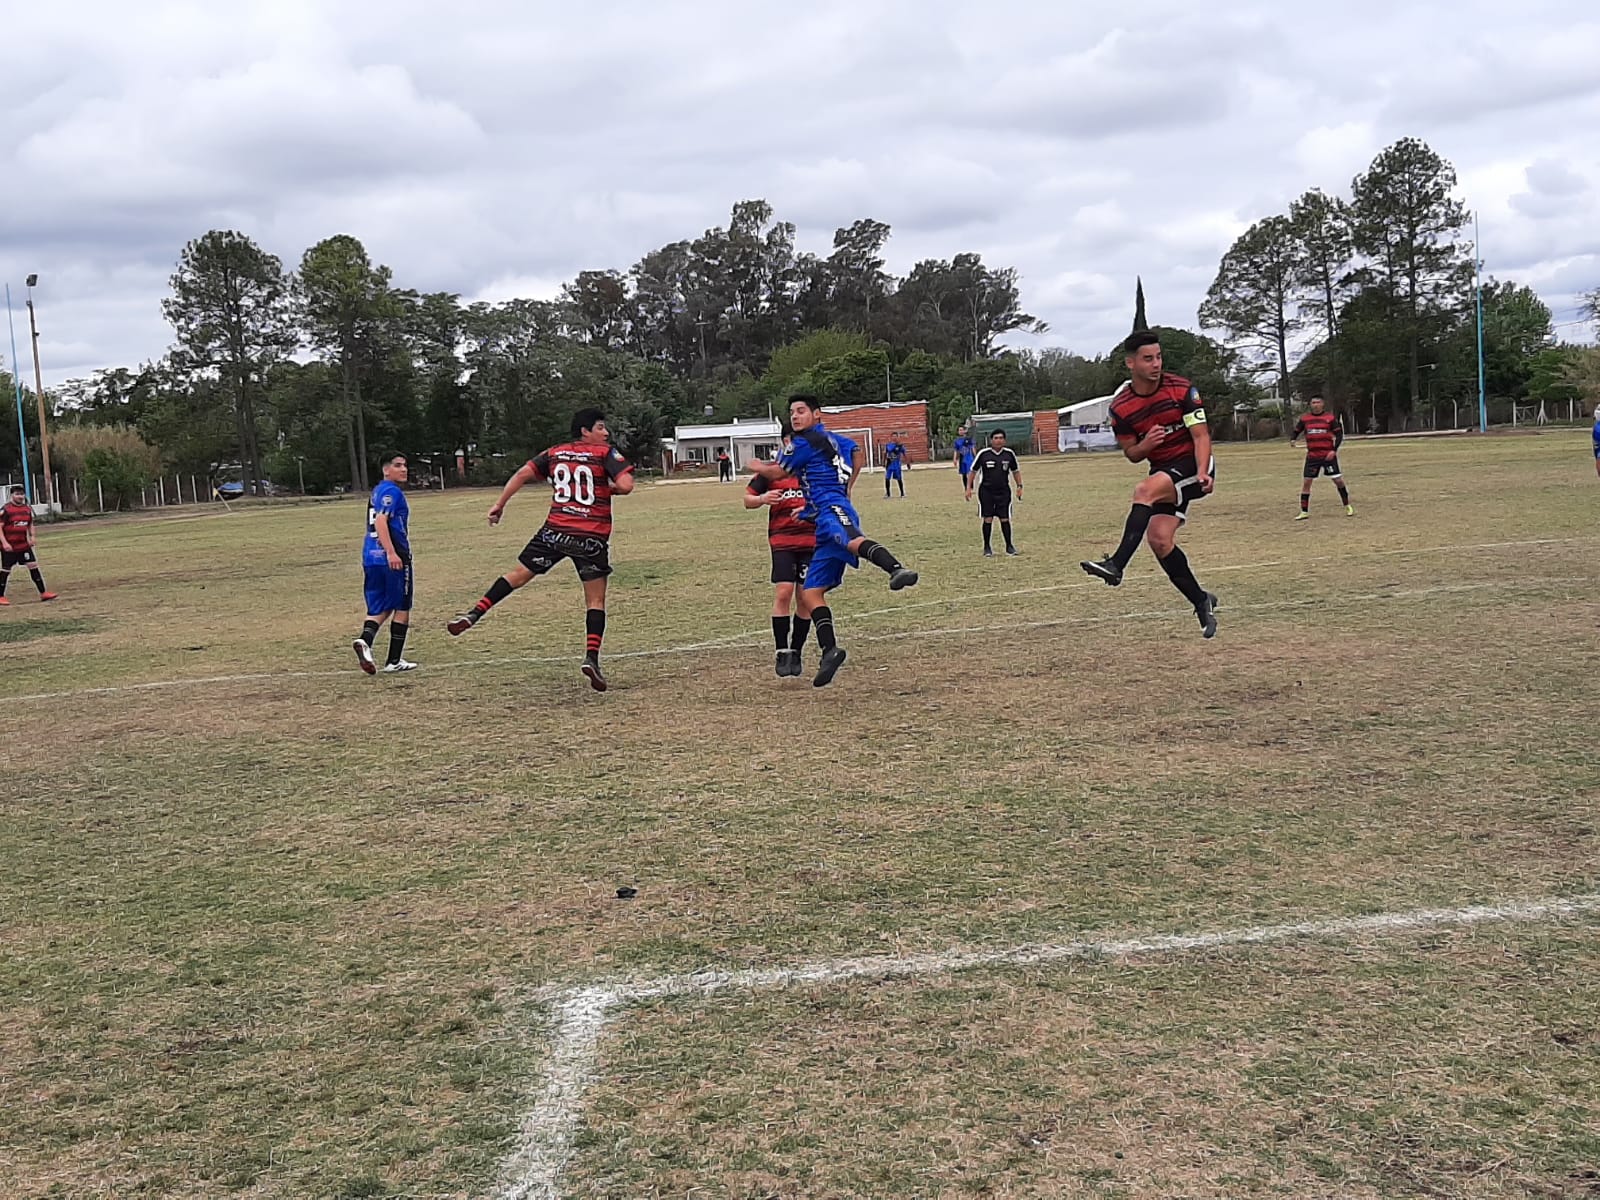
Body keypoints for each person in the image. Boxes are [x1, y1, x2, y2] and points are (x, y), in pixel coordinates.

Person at [447, 408, 635, 691]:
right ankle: (591, 658)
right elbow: (626, 485)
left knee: (518, 575)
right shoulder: (604, 453)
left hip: (555, 530)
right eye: (600, 427)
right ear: (585, 431)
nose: (605, 433)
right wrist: (609, 489)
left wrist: (499, 504)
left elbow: (522, 474)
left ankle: (474, 613)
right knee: (595, 600)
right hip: (590, 535)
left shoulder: (554, 452)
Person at [747, 394, 919, 687]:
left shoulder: (804, 441)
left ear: (817, 414)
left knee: (852, 540)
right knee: (811, 593)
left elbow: (778, 471)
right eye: (792, 412)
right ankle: (830, 650)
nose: (795, 416)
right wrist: (840, 490)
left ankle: (896, 569)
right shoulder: (834, 440)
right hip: (821, 515)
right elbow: (856, 451)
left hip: (832, 508)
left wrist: (757, 465)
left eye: (801, 411)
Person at [1080, 330, 1219, 638]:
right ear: (1131, 363)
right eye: (1148, 359)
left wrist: (1203, 471)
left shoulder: (1182, 389)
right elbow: (1132, 453)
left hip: (1194, 466)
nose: (1156, 364)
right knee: (1159, 540)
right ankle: (1201, 600)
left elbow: (1201, 436)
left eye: (1158, 357)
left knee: (1144, 490)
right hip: (1163, 472)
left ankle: (1117, 565)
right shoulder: (1121, 408)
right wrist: (1146, 444)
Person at [744, 437, 817, 677]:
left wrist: (811, 512)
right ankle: (782, 650)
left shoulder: (814, 471)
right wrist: (762, 499)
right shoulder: (772, 472)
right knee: (784, 592)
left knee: (805, 597)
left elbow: (830, 501)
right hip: (782, 542)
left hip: (811, 542)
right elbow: (747, 499)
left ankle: (796, 651)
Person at [353, 453, 416, 673]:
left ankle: (365, 641)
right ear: (386, 470)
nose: (404, 469)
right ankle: (393, 661)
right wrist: (391, 552)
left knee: (381, 605)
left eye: (405, 465)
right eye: (398, 465)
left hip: (370, 556)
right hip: (391, 557)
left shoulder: (377, 491)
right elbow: (381, 521)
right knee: (402, 605)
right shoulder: (392, 491)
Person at [1289, 396, 1353, 518]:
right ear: (1310, 404)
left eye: (1318, 402)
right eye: (1313, 402)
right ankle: (1304, 512)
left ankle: (1347, 505)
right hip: (1312, 456)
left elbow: (1339, 435)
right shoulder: (1305, 419)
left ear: (1323, 404)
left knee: (1338, 481)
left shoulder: (1330, 418)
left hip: (1327, 456)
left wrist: (1333, 450)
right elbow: (1297, 430)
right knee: (1307, 482)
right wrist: (1293, 439)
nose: (1316, 405)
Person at [966, 429, 1023, 556]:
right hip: (986, 491)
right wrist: (968, 488)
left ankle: (1009, 546)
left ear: (1005, 440)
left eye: (1001, 438)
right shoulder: (983, 454)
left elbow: (1015, 471)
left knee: (1005, 518)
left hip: (1003, 491)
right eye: (996, 438)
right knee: (988, 518)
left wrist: (1019, 486)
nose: (998, 440)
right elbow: (973, 471)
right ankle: (987, 547)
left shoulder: (1009, 454)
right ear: (991, 440)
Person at [0, 485, 57, 605]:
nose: (20, 496)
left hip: (23, 545)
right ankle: (1, 596)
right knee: (6, 570)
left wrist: (32, 537)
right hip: (10, 546)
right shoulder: (6, 510)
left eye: (21, 494)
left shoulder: (27, 509)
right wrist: (4, 543)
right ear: (12, 495)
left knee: (33, 565)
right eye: (17, 494)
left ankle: (43, 593)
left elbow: (30, 524)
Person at [882, 433, 908, 498]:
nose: (894, 438)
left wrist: (908, 463)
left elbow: (905, 454)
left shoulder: (900, 446)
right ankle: (888, 494)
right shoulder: (888, 445)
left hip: (897, 465)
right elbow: (885, 453)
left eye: (896, 436)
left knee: (899, 479)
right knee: (887, 478)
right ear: (891, 437)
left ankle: (902, 493)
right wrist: (883, 462)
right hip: (889, 465)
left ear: (898, 437)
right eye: (893, 436)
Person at [952, 427, 976, 491]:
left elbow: (973, 448)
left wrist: (975, 456)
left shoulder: (969, 439)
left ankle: (971, 486)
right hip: (962, 459)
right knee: (964, 474)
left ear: (965, 431)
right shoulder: (957, 441)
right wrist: (954, 459)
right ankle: (966, 488)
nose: (961, 431)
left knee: (970, 472)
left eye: (962, 430)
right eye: (959, 430)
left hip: (969, 458)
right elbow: (956, 450)